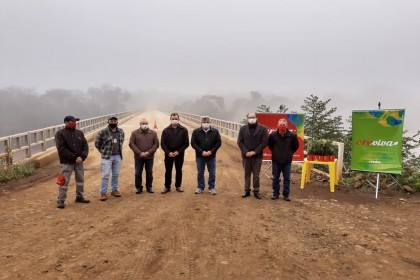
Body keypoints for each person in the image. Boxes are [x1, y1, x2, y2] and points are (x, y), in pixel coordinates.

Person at [55, 115, 90, 209]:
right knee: (64, 181)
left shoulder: (79, 133)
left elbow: (85, 146)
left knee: (80, 179)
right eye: (72, 121)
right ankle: (60, 200)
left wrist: (82, 157)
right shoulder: (60, 134)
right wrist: (74, 157)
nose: (74, 123)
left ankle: (80, 196)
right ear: (66, 123)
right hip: (67, 162)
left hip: (79, 161)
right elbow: (61, 148)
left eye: (75, 121)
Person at [237, 112, 268, 199]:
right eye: (250, 117)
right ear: (247, 118)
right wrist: (246, 152)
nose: (251, 118)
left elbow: (264, 142)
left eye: (253, 117)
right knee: (247, 174)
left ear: (256, 117)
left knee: (256, 174)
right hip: (246, 156)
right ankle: (246, 190)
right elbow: (240, 141)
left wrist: (255, 152)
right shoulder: (243, 129)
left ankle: (256, 191)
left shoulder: (263, 128)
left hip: (257, 156)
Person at [268, 118, 299, 201]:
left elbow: (296, 146)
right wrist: (275, 153)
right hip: (276, 161)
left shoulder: (292, 135)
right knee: (275, 178)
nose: (282, 126)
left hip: (287, 161)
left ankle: (286, 195)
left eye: (284, 125)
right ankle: (275, 194)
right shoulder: (272, 135)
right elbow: (270, 146)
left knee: (287, 179)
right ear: (278, 125)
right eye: (281, 125)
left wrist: (289, 153)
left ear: (287, 126)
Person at [95, 115, 125, 201]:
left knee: (115, 174)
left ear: (117, 122)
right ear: (108, 122)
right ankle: (103, 193)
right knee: (105, 175)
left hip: (118, 156)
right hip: (107, 157)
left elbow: (122, 141)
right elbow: (97, 143)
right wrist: (103, 151)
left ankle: (114, 190)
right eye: (111, 121)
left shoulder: (120, 131)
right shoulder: (103, 132)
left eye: (115, 121)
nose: (113, 122)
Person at [191, 116, 222, 195]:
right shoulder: (196, 131)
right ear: (201, 122)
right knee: (200, 172)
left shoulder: (215, 132)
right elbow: (193, 143)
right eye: (204, 122)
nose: (206, 124)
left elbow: (218, 143)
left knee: (212, 173)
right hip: (200, 156)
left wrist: (211, 151)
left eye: (207, 122)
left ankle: (211, 187)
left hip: (211, 156)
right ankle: (200, 187)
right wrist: (201, 151)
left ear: (210, 122)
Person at [160, 113, 189, 194]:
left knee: (179, 170)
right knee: (168, 170)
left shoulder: (184, 130)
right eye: (173, 119)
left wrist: (178, 151)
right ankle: (167, 186)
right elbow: (162, 143)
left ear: (179, 119)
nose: (174, 120)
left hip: (179, 154)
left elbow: (186, 143)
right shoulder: (166, 130)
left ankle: (178, 185)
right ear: (170, 119)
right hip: (168, 154)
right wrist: (168, 152)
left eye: (176, 118)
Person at [129, 118, 159, 194]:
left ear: (148, 124)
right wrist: (139, 153)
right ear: (140, 124)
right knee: (138, 173)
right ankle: (138, 187)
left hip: (150, 157)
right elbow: (131, 143)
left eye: (146, 123)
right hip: (138, 157)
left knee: (149, 172)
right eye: (143, 123)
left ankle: (149, 187)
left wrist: (149, 152)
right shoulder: (134, 133)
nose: (144, 125)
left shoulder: (153, 133)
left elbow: (156, 144)